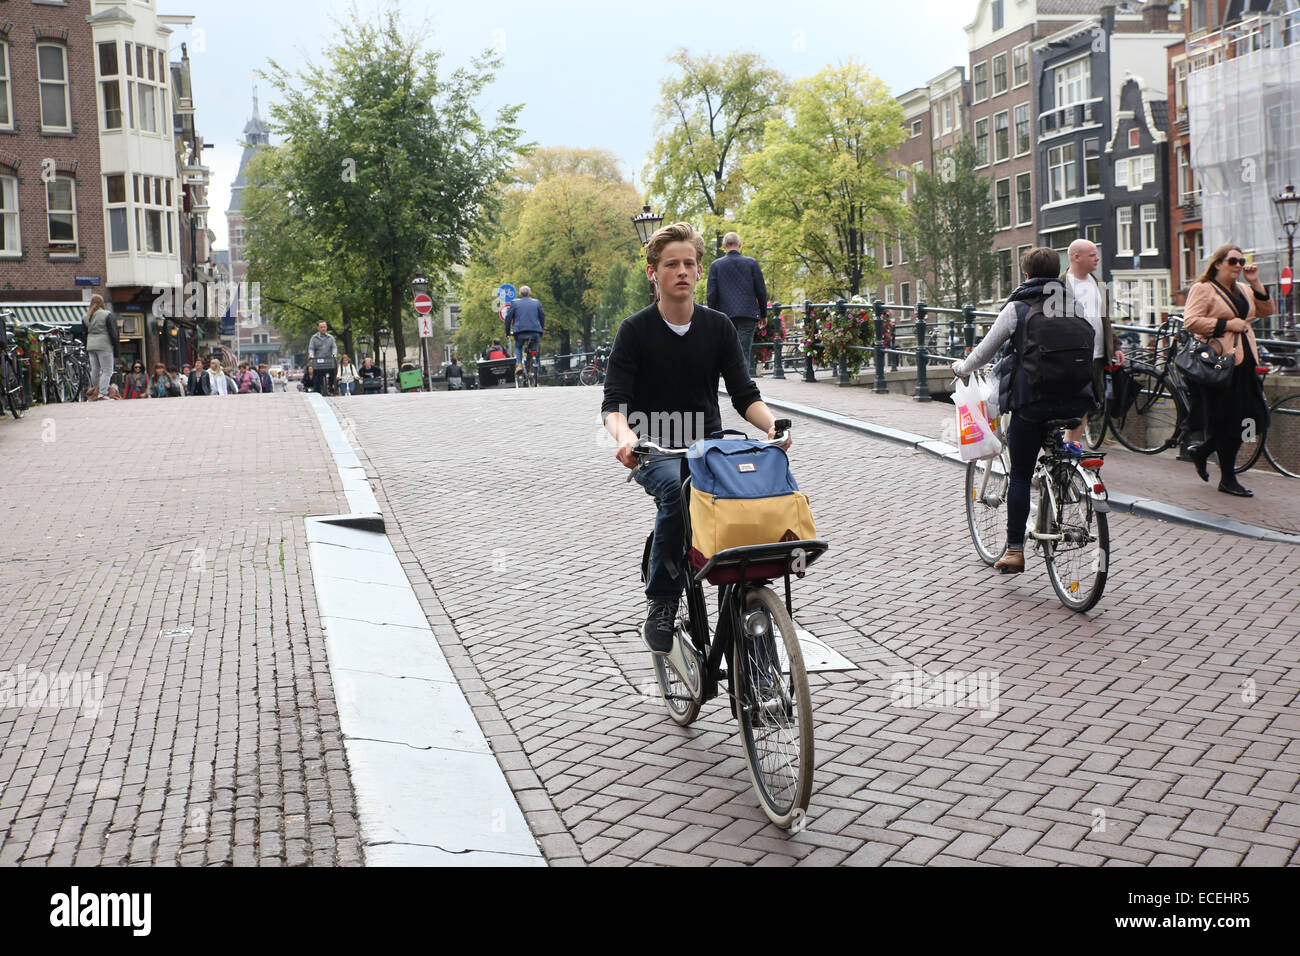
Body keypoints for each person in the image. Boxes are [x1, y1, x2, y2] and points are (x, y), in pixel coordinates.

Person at [602, 221, 788, 656]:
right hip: (656, 447)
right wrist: (626, 438)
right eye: (672, 264)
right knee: (677, 489)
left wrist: (771, 426)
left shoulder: (718, 327)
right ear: (653, 272)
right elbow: (613, 404)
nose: (682, 271)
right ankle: (663, 600)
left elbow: (744, 394)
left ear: (700, 270)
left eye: (689, 263)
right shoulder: (635, 331)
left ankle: (750, 609)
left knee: (750, 493)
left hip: (708, 445)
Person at [952, 247, 1101, 574]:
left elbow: (984, 352)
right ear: (1058, 274)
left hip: (1032, 402)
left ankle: (1015, 551)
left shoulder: (1017, 308)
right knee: (1055, 451)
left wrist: (962, 368)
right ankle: (1063, 486)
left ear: (1027, 275)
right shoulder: (1073, 305)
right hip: (1075, 400)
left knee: (1020, 474)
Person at [1182, 244, 1274, 497]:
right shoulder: (1203, 288)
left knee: (1254, 419)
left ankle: (1202, 451)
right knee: (1228, 420)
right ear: (1218, 263)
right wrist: (1227, 324)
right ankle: (1228, 479)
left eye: (1241, 262)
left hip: (1246, 361)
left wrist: (1255, 283)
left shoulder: (1243, 289)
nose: (1238, 266)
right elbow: (1191, 321)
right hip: (1220, 364)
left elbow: (1267, 310)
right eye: (1233, 261)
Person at [1062, 239, 1124, 451]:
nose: (1097, 258)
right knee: (1073, 407)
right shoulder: (1060, 285)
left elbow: (1105, 320)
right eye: (1092, 255)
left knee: (1087, 406)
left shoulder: (1098, 284)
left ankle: (1071, 448)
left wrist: (1115, 346)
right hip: (1072, 357)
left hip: (1096, 356)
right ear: (1076, 257)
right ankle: (1065, 449)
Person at [706, 232, 768, 375]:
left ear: (724, 246)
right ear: (740, 244)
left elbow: (712, 294)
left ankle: (730, 381)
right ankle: (743, 383)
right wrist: (763, 314)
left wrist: (713, 316)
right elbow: (761, 291)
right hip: (747, 313)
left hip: (725, 315)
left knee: (727, 350)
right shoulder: (751, 263)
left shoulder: (716, 265)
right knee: (743, 351)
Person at [83, 295, 118, 402]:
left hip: (91, 345)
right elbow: (113, 333)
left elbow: (84, 332)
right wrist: (116, 348)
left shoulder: (86, 316)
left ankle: (95, 392)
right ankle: (102, 394)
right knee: (107, 370)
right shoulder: (106, 314)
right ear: (102, 303)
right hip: (104, 345)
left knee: (95, 370)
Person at [504, 288, 544, 374]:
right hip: (535, 331)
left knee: (518, 346)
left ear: (520, 294)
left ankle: (519, 364)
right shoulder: (536, 302)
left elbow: (508, 319)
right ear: (530, 293)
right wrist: (541, 330)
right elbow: (542, 317)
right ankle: (535, 367)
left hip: (520, 332)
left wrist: (507, 332)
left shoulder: (514, 303)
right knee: (535, 349)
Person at [307, 320, 338, 394]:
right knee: (316, 377)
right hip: (318, 361)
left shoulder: (331, 337)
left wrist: (334, 354)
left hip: (328, 360)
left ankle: (331, 386)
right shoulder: (314, 338)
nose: (323, 329)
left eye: (324, 327)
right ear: (318, 328)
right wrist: (311, 354)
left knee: (333, 371)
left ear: (326, 327)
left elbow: (334, 347)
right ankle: (317, 392)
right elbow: (311, 348)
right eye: (321, 327)